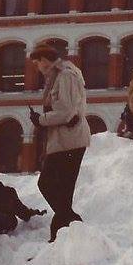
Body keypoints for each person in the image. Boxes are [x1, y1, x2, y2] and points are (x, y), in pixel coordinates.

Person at [28, 44, 91, 243]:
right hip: (64, 141)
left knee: (46, 184)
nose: (36, 67)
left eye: (36, 62)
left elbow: (66, 112)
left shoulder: (65, 76)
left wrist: (41, 120)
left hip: (70, 141)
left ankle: (74, 225)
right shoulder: (58, 76)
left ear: (44, 60)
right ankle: (63, 237)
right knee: (62, 193)